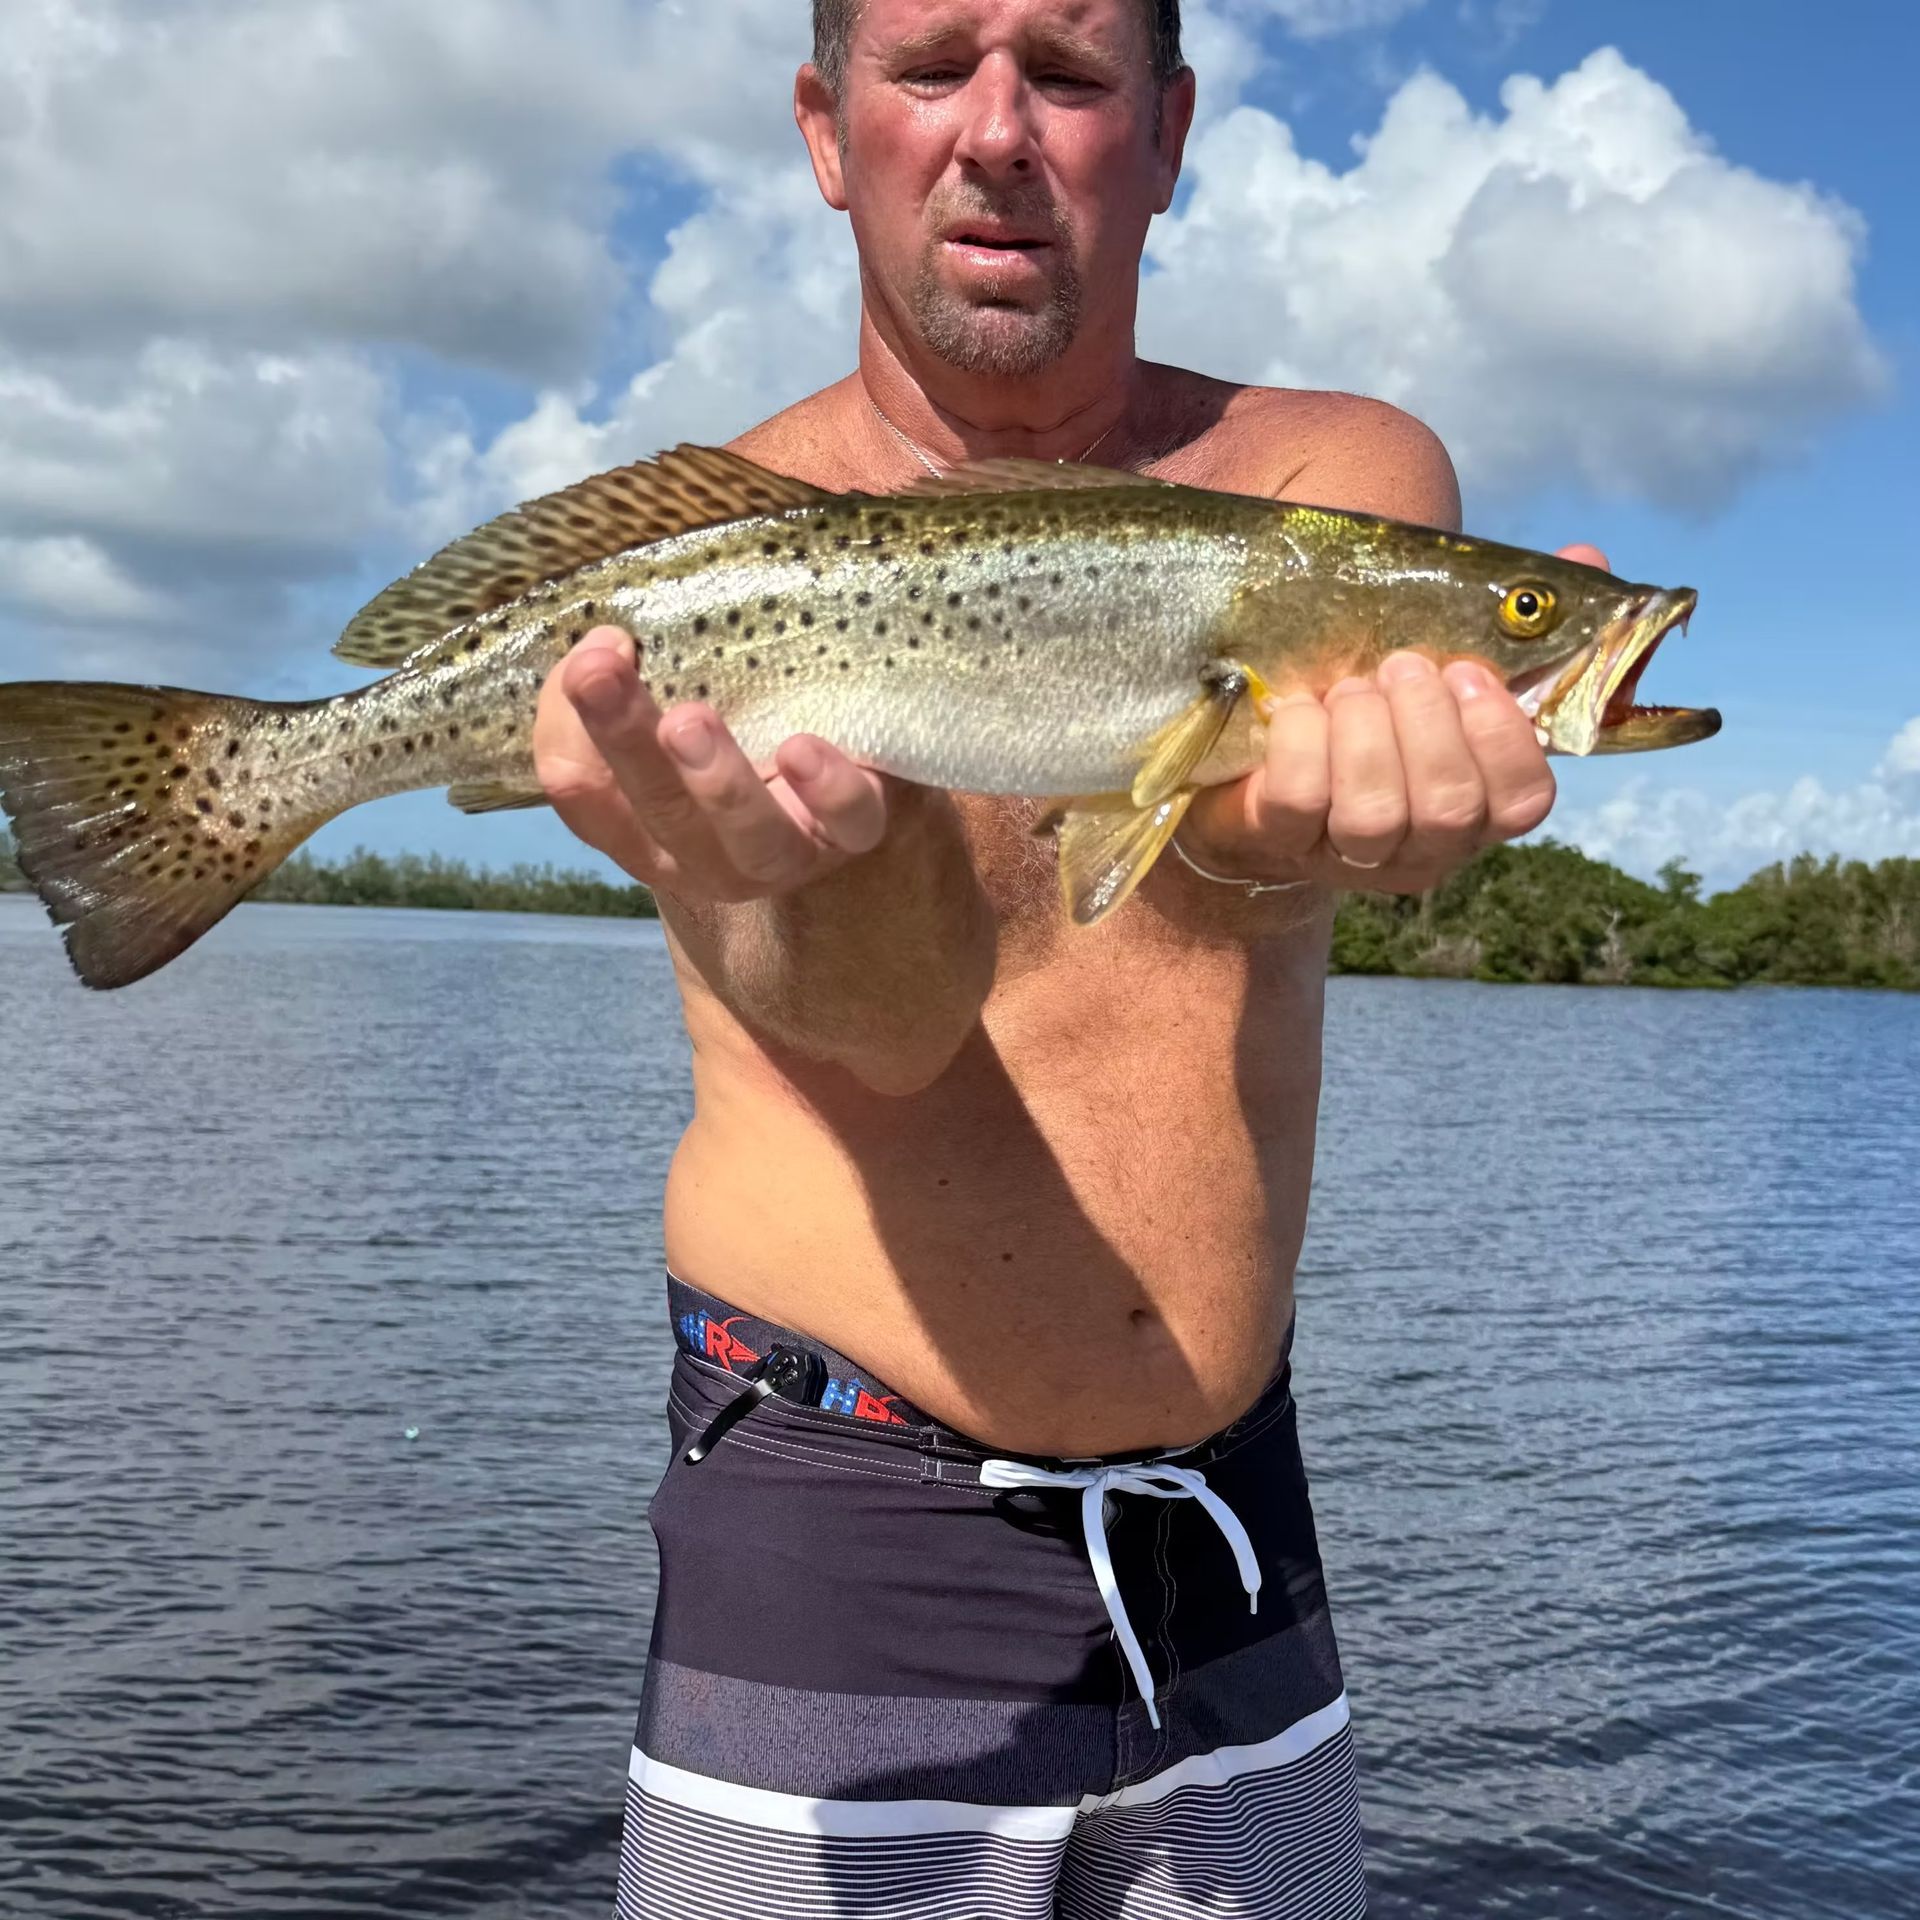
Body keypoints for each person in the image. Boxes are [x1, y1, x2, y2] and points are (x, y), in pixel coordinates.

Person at [535, 3, 1598, 1913]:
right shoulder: (713, 550)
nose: (1001, 131)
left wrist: (1302, 809)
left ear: (1170, 130)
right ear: (823, 124)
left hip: (1231, 1536)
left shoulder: (1337, 478)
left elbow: (1253, 836)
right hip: (828, 1527)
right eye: (933, 65)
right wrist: (813, 872)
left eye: (1077, 74)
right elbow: (877, 1027)